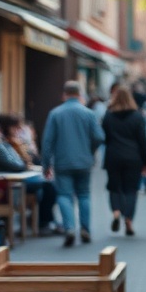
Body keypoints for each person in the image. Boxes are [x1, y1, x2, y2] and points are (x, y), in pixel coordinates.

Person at [42, 80, 104, 247]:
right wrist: (90, 151)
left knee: (64, 195)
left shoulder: (55, 113)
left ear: (65, 94)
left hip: (62, 162)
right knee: (83, 195)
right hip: (84, 162)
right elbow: (99, 137)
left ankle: (69, 228)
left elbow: (47, 142)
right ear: (80, 94)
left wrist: (46, 164)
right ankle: (85, 229)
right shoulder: (88, 114)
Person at [0, 120, 59, 234]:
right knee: (48, 185)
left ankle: (44, 220)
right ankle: (44, 222)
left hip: (0, 184)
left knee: (46, 184)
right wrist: (6, 146)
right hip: (3, 186)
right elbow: (17, 165)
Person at [101, 86, 146, 237]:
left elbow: (105, 138)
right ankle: (128, 219)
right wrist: (145, 162)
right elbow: (143, 140)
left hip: (113, 156)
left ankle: (116, 213)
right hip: (133, 157)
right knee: (131, 189)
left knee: (114, 187)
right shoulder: (137, 116)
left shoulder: (108, 115)